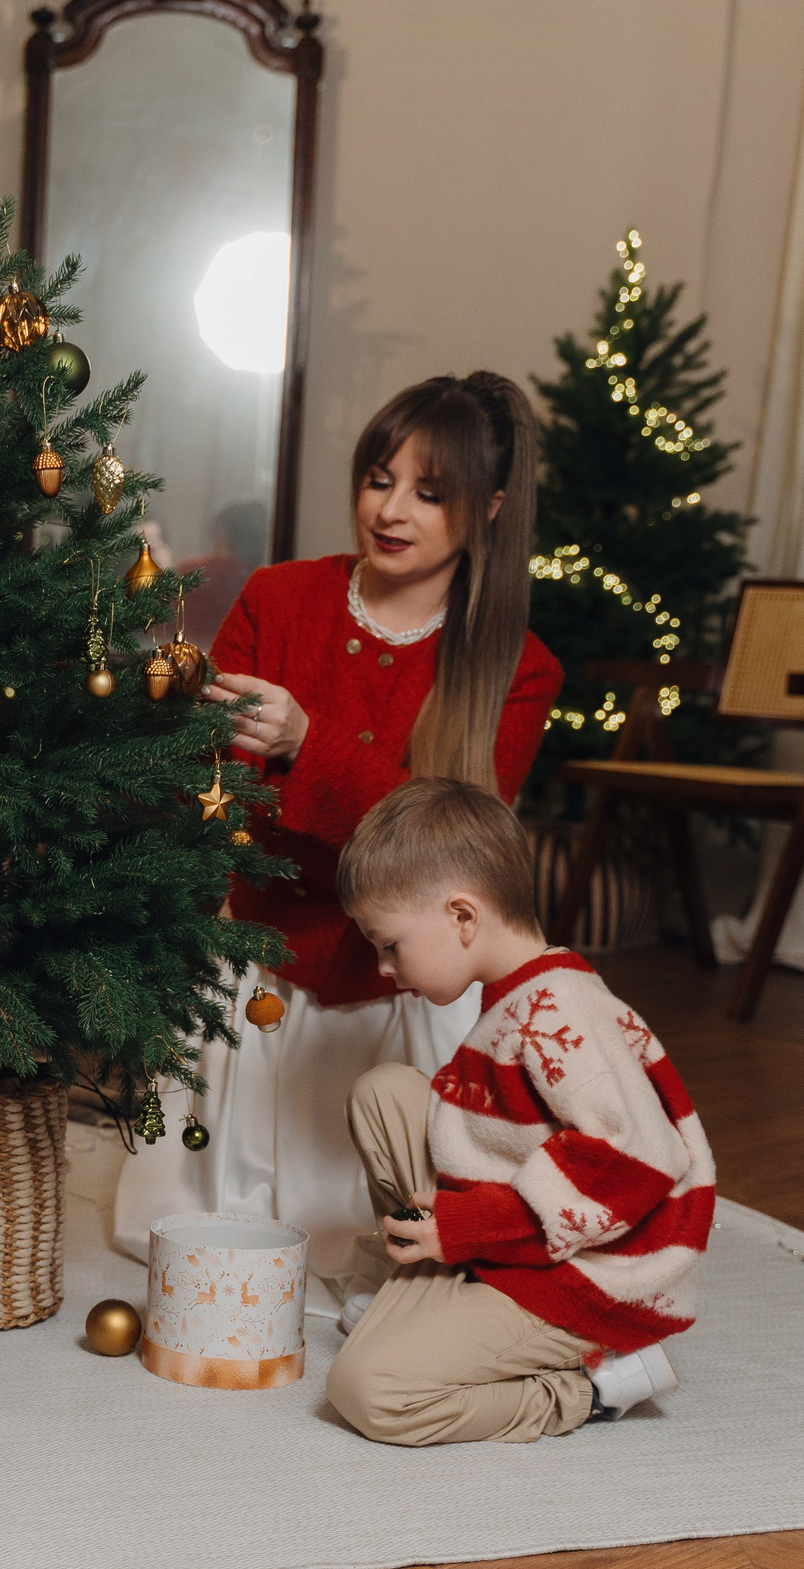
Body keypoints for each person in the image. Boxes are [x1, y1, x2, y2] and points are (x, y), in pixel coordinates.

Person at [114, 373, 564, 1312]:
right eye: (378, 478)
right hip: (261, 956)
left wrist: (308, 748)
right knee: (194, 1241)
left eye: (429, 494)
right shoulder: (279, 600)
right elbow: (197, 787)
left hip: (401, 987)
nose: (391, 510)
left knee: (377, 1245)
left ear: (485, 511)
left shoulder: (517, 668)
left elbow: (456, 857)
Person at [328, 777, 708, 1444]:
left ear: (462, 916)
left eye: (390, 944)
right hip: (518, 1230)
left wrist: (466, 1222)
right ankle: (436, 1278)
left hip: (589, 1276)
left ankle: (590, 1387)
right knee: (386, 1092)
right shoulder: (516, 992)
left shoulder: (561, 1013)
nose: (384, 967)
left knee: (368, 1388)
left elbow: (638, 1161)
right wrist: (456, 1225)